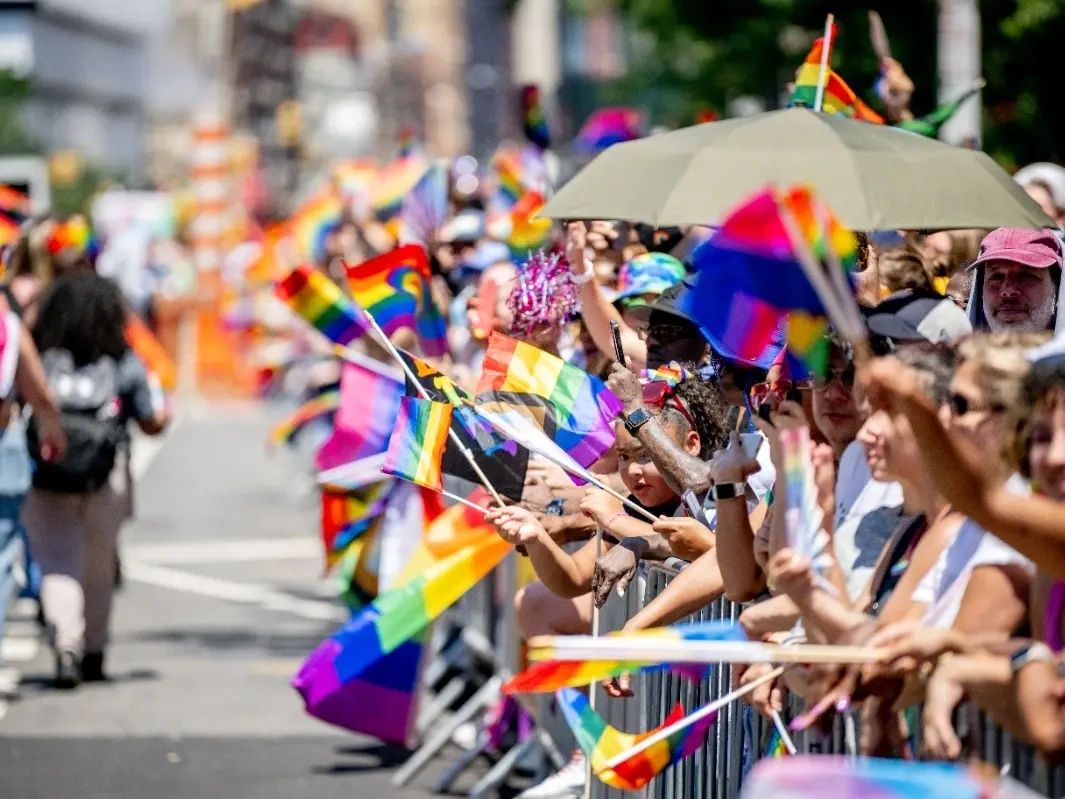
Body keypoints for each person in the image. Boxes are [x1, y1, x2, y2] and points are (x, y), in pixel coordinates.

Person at [23, 272, 169, 688]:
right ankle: (94, 650)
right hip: (106, 476)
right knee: (98, 567)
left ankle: (64, 643)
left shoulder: (43, 356)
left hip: (48, 469)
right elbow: (150, 421)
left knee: (55, 561)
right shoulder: (123, 360)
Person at [965, 227, 1064, 334]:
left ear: (1058, 287)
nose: (1008, 292)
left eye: (1026, 276)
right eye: (996, 277)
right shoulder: (955, 349)